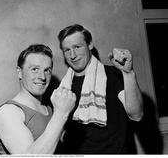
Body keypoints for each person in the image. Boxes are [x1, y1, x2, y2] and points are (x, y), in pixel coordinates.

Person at [56, 24, 143, 154]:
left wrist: (128, 73)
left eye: (77, 47)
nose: (72, 55)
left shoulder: (113, 74)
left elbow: (136, 115)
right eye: (67, 50)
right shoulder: (63, 87)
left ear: (90, 44)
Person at [0, 44, 76, 154]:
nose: (42, 77)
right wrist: (61, 114)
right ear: (19, 72)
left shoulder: (50, 108)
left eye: (47, 70)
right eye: (34, 69)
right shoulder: (8, 112)